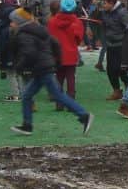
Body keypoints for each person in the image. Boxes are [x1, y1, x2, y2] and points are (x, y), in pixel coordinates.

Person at [9, 8, 93, 136]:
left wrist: (19, 67)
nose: (11, 24)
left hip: (41, 69)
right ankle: (27, 125)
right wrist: (57, 61)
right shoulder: (39, 29)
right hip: (43, 67)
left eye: (13, 22)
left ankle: (84, 115)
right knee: (27, 96)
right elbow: (55, 43)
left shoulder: (24, 34)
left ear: (19, 22)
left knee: (57, 95)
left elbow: (29, 53)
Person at [48, 0, 86, 108]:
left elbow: (50, 38)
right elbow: (78, 39)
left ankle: (59, 103)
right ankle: (71, 102)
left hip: (57, 54)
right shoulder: (77, 22)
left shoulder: (52, 22)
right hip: (71, 53)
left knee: (59, 77)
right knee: (70, 77)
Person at [100, 0, 128, 101]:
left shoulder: (122, 13)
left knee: (120, 69)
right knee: (110, 69)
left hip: (121, 45)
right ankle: (116, 90)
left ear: (111, 3)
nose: (103, 6)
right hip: (110, 44)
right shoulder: (104, 12)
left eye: (104, 3)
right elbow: (104, 24)